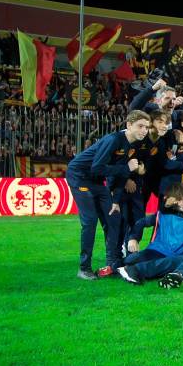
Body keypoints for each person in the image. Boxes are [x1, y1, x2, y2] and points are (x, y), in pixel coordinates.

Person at [65, 110, 150, 279]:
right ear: (129, 125)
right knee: (90, 221)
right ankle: (84, 268)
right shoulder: (113, 140)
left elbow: (121, 175)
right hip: (79, 176)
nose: (144, 131)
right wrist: (126, 168)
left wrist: (116, 201)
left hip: (96, 181)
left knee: (114, 217)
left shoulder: (132, 145)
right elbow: (97, 167)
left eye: (146, 127)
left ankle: (113, 264)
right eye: (140, 126)